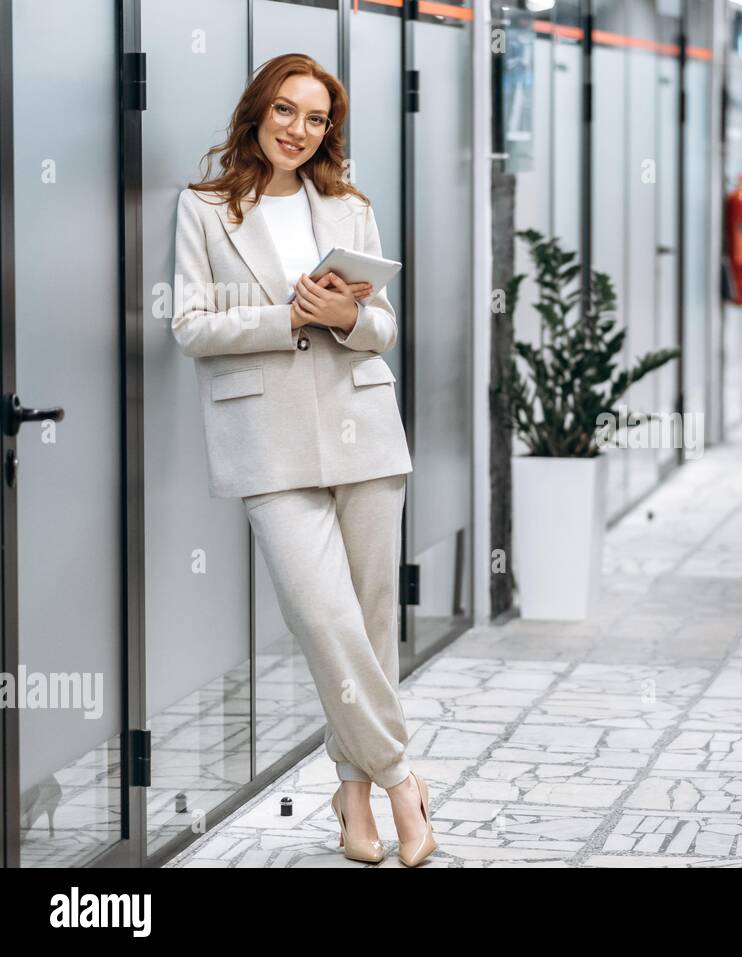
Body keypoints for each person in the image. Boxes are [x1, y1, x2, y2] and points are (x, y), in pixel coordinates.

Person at [172, 53, 437, 867]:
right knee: (326, 623)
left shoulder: (349, 207)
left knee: (372, 628)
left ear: (328, 130)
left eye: (316, 118)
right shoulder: (205, 208)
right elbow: (187, 325)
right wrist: (288, 315)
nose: (298, 129)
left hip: (364, 427)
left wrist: (347, 316)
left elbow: (384, 325)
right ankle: (402, 782)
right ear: (257, 112)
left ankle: (351, 797)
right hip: (268, 445)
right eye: (285, 110)